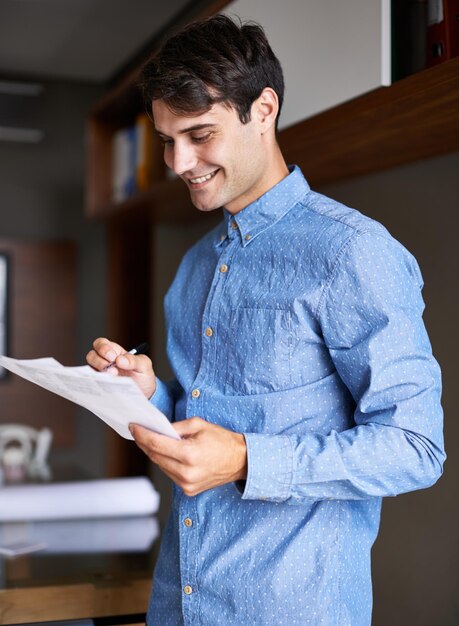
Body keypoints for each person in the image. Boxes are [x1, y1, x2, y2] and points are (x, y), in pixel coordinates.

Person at [87, 14, 445, 626]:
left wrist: (248, 460)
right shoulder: (194, 268)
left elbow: (415, 448)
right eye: (167, 139)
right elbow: (206, 420)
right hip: (179, 602)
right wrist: (150, 394)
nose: (179, 161)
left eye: (200, 134)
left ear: (263, 109)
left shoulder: (351, 252)